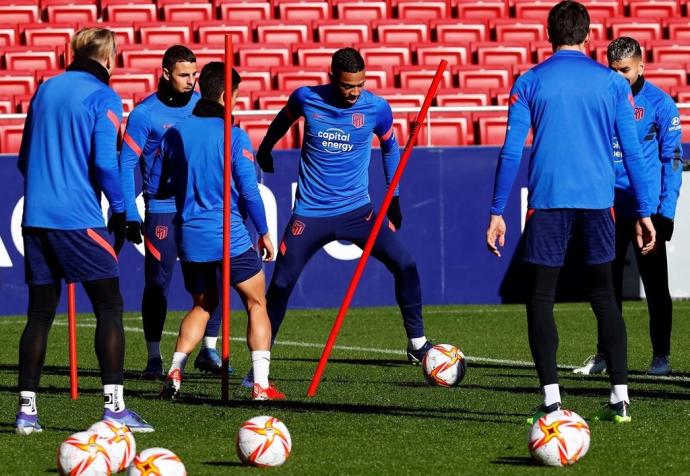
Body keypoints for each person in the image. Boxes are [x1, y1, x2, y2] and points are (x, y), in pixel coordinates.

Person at [485, 1, 656, 424]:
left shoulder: (529, 81)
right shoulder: (612, 84)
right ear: (588, 35)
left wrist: (496, 210)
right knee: (604, 297)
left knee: (540, 298)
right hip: (599, 203)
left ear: (548, 34)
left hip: (548, 202)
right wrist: (645, 209)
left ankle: (551, 401)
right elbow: (632, 151)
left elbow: (510, 151)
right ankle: (620, 397)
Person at [252, 47, 432, 386]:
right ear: (333, 78)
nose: (354, 92)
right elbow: (283, 118)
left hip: (358, 212)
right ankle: (259, 368)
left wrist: (393, 196)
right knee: (280, 285)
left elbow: (391, 146)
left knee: (405, 265)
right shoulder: (307, 98)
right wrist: (266, 146)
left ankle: (417, 344)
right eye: (348, 86)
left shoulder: (377, 108)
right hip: (310, 214)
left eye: (360, 85)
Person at [15, 27, 153, 434]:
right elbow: (105, 163)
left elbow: (24, 159)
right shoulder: (104, 95)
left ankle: (27, 412)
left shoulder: (44, 89)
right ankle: (114, 409)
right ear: (109, 58)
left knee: (39, 314)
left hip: (35, 217)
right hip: (77, 219)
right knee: (109, 305)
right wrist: (124, 209)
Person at [158, 62, 284, 401]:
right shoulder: (233, 135)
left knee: (203, 306)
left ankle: (175, 370)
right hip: (228, 235)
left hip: (191, 238)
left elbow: (159, 184)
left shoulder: (175, 132)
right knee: (257, 302)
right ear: (228, 95)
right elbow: (249, 189)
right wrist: (265, 232)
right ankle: (260, 385)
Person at [573, 36, 683, 377]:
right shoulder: (601, 101)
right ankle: (605, 354)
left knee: (655, 286)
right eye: (613, 70)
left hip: (645, 212)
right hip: (607, 208)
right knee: (606, 287)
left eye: (625, 70)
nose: (619, 76)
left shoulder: (661, 105)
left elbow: (672, 160)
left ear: (641, 65)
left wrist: (665, 212)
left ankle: (660, 356)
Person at [120, 45, 229, 379]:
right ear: (165, 73)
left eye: (195, 75)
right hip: (162, 209)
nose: (191, 81)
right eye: (184, 75)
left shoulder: (205, 107)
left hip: (199, 207)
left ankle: (209, 350)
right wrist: (129, 213)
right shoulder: (145, 114)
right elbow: (126, 162)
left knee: (214, 280)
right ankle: (154, 356)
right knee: (158, 283)